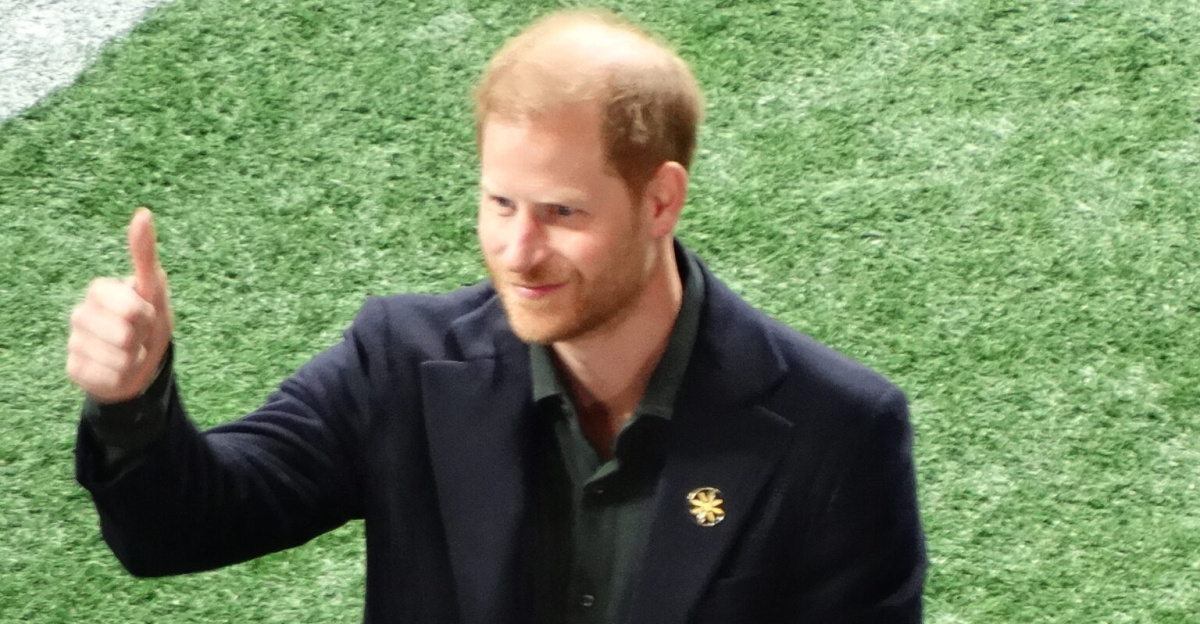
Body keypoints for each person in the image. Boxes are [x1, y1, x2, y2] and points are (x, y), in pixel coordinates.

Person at [68, 9, 926, 624]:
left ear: (660, 200)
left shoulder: (838, 432)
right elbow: (184, 527)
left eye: (561, 213)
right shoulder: (401, 365)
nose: (517, 251)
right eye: (499, 202)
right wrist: (135, 401)